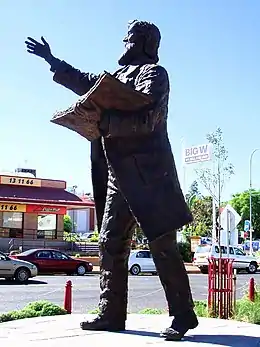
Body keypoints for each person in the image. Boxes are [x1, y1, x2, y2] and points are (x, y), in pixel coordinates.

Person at [25, 20, 198, 341]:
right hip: (120, 177)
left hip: (151, 176)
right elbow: (85, 81)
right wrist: (52, 61)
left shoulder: (154, 76)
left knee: (162, 247)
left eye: (129, 39)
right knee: (110, 243)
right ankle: (111, 312)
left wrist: (102, 119)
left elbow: (147, 118)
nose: (124, 43)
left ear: (144, 43)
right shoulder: (116, 78)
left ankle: (183, 315)